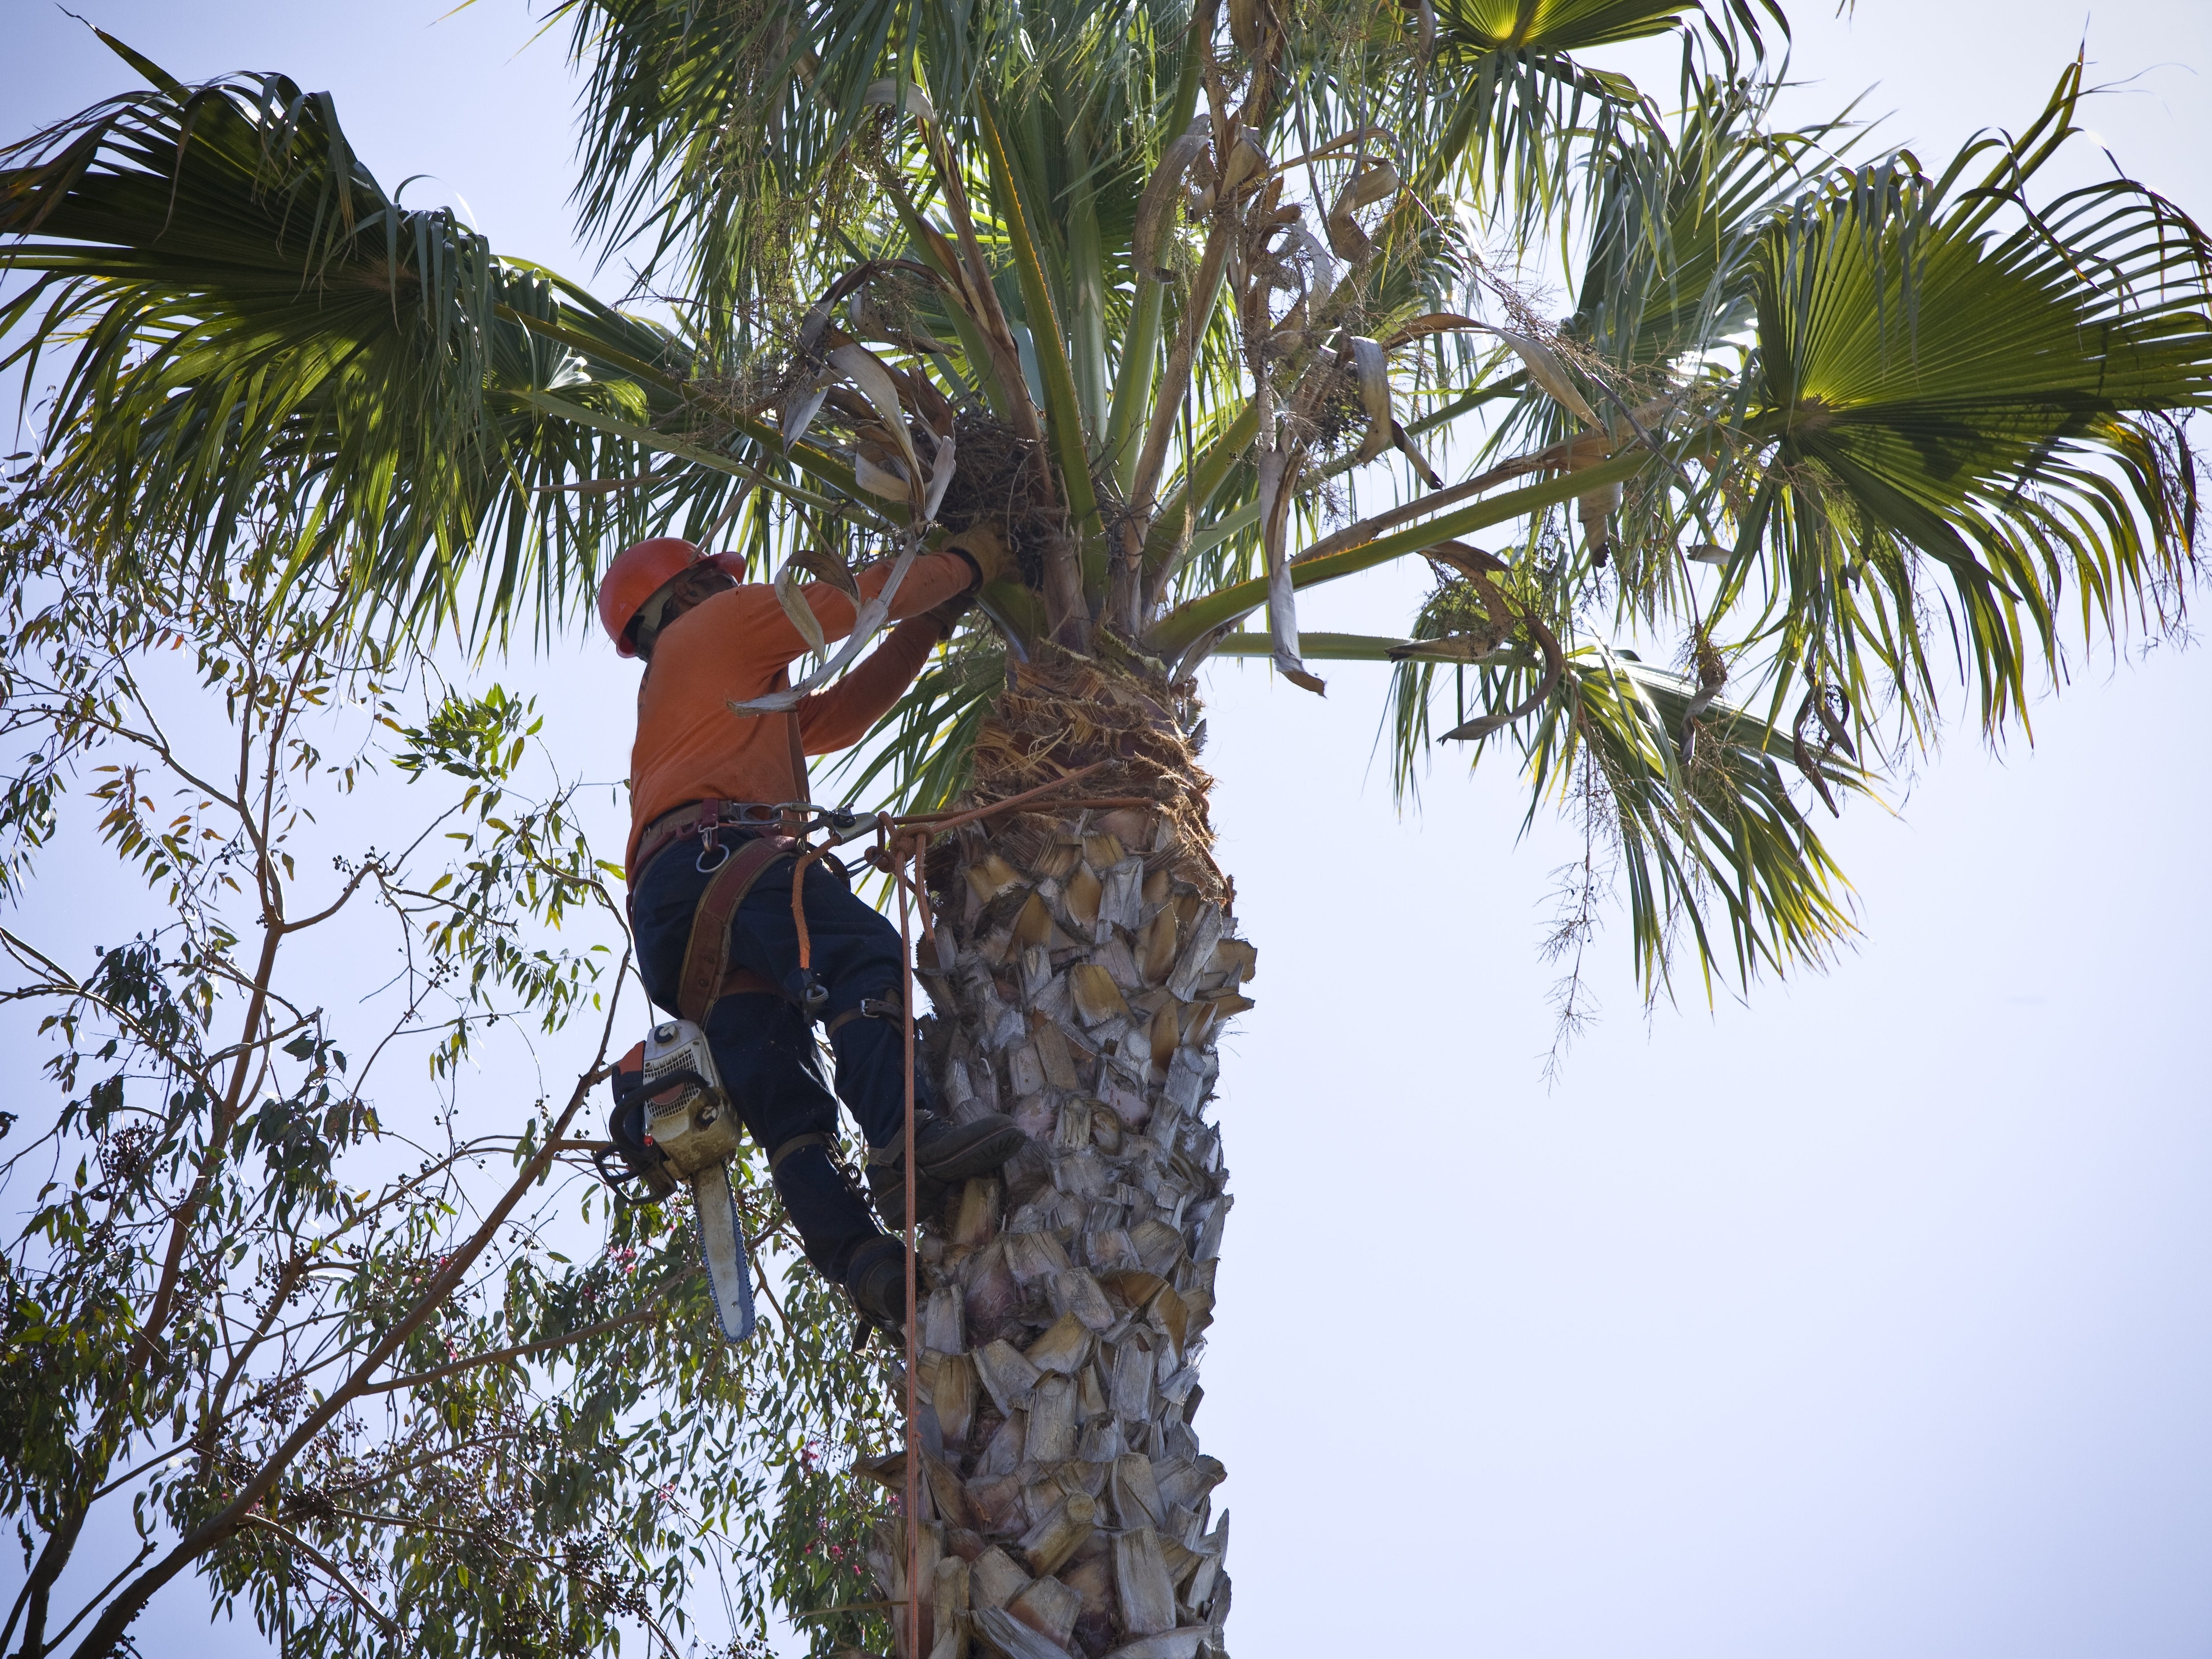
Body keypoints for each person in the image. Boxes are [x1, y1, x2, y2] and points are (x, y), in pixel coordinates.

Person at [599, 529, 1026, 1329]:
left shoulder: (696, 687)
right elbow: (849, 602)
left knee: (787, 1104)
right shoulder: (716, 628)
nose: (736, 588)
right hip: (717, 858)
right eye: (719, 581)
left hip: (674, 917)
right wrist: (974, 560)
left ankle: (860, 1261)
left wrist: (934, 624)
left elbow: (841, 717)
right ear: (690, 592)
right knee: (862, 955)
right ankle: (906, 1138)